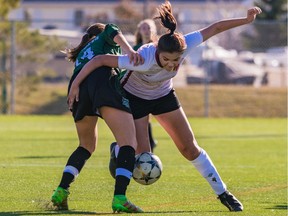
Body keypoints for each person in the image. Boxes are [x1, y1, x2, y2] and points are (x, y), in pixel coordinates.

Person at [68, 1, 262, 212]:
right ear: (158, 52)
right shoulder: (142, 59)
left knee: (189, 148)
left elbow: (214, 28)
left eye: (176, 60)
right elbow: (100, 60)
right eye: (166, 59)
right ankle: (118, 150)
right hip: (134, 98)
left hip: (163, 95)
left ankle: (223, 193)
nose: (171, 64)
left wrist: (246, 20)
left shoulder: (184, 45)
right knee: (141, 157)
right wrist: (75, 85)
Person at [50, 23, 144, 213]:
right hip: (101, 82)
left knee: (86, 146)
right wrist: (129, 50)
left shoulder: (84, 52)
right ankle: (120, 198)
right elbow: (112, 28)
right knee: (128, 144)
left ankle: (61, 190)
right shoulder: (104, 40)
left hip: (77, 90)